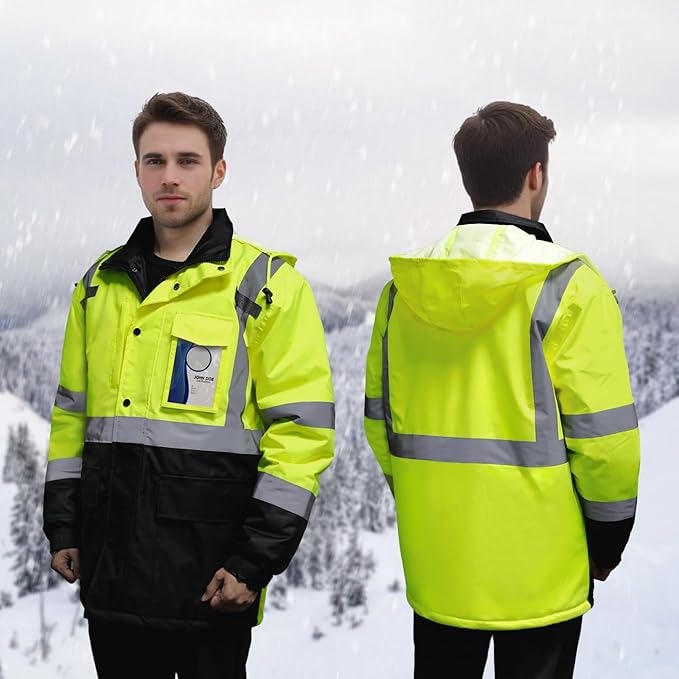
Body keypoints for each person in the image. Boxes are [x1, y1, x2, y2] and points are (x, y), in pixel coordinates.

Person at [43, 92, 335, 679]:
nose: (169, 177)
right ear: (136, 171)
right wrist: (64, 525)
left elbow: (301, 434)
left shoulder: (265, 286)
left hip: (211, 583)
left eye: (187, 161)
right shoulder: (99, 285)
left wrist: (254, 562)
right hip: (112, 579)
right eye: (155, 161)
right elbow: (73, 413)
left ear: (218, 171)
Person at [364, 101, 640, 678]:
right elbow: (606, 443)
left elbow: (380, 425)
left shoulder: (403, 291)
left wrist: (429, 502)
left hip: (440, 563)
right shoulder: (568, 285)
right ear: (536, 174)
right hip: (542, 572)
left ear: (468, 178)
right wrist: (606, 541)